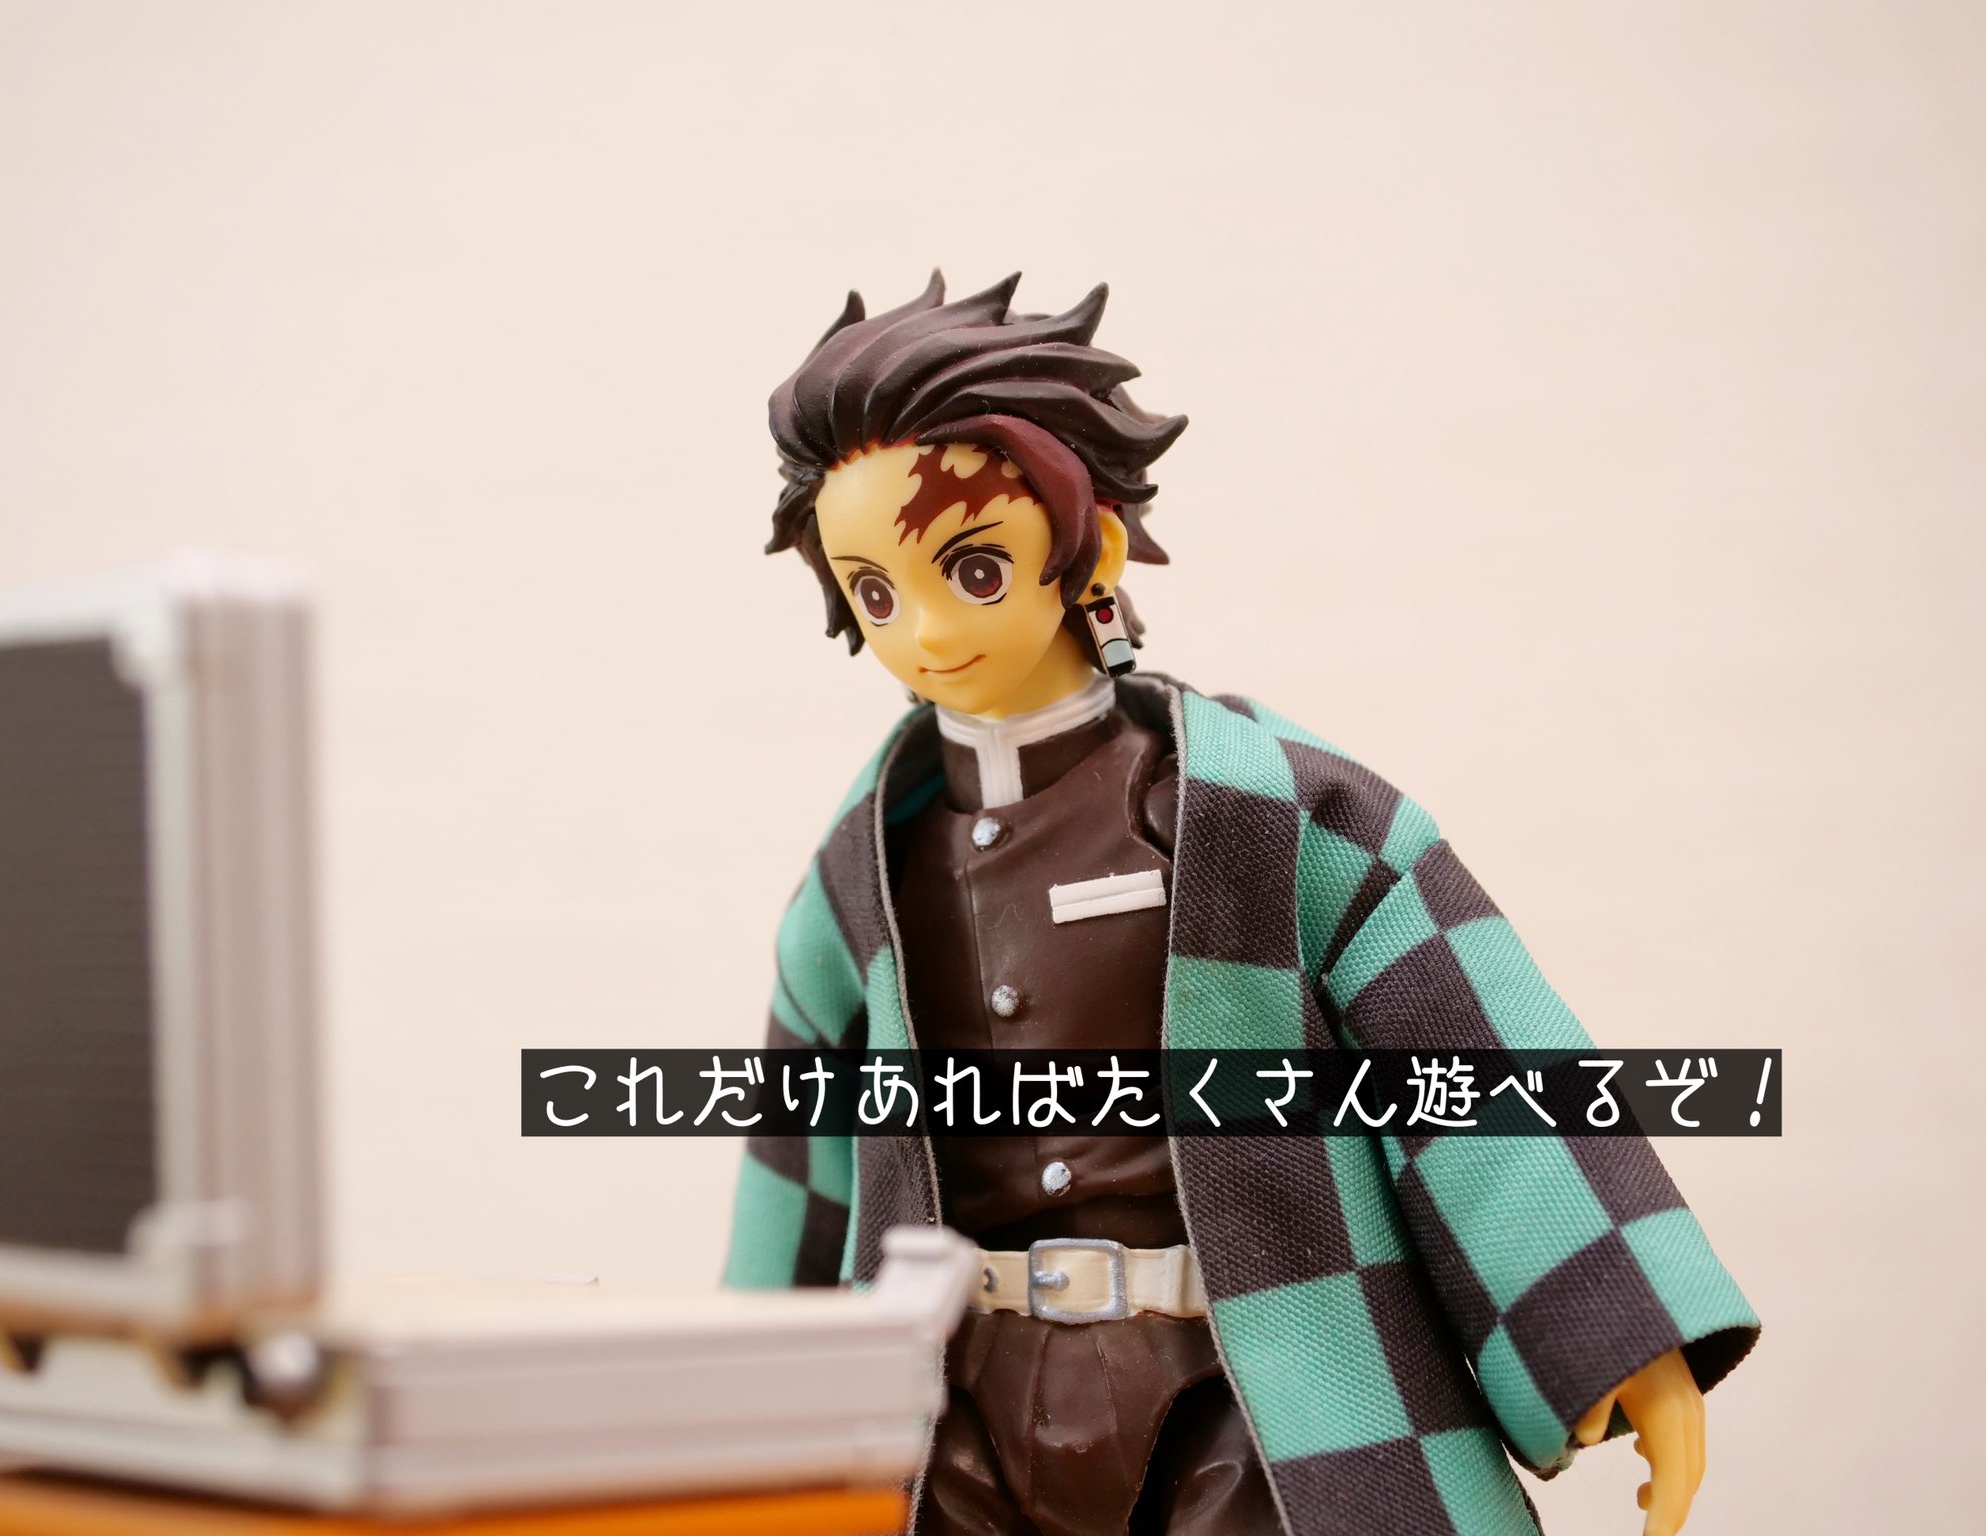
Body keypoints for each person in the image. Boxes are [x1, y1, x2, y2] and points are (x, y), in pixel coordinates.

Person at [725, 273, 1757, 1536]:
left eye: (974, 568)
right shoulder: (866, 868)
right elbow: (799, 1159)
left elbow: (1468, 1054)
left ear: (1090, 547)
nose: (925, 631)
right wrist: (737, 1415)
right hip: (957, 1425)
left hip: (1247, 1407)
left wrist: (1614, 1327)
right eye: (876, 594)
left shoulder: (1264, 815)